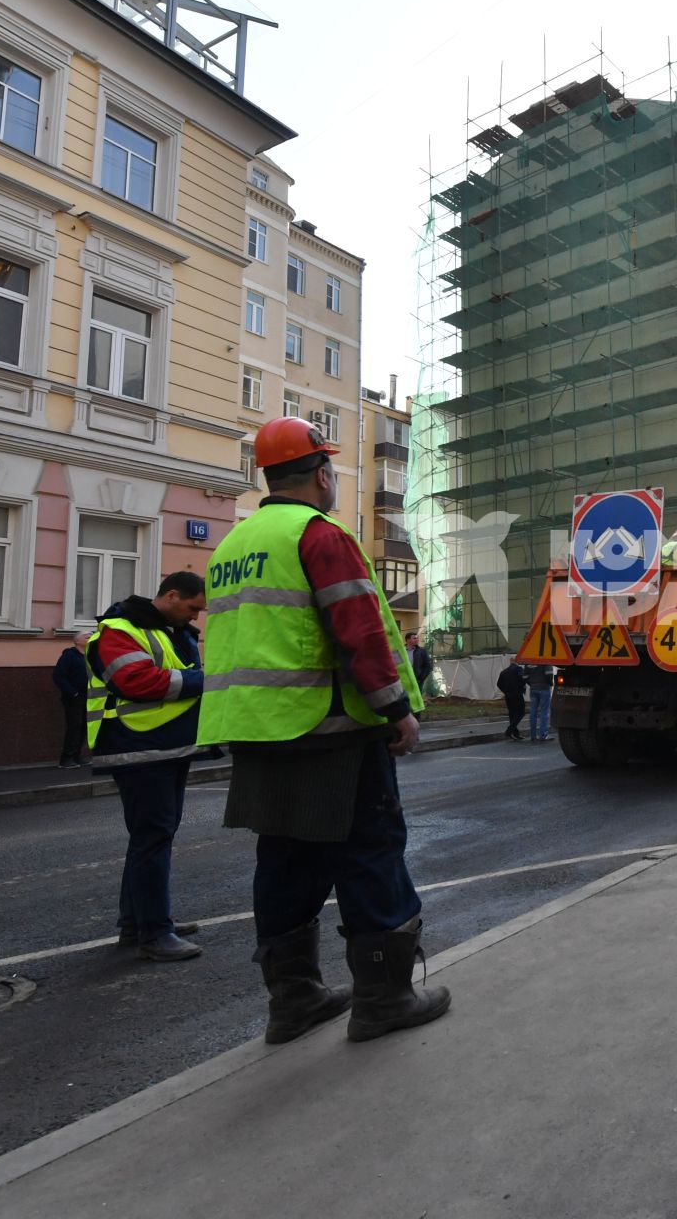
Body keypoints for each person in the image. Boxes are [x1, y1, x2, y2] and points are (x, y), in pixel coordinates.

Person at [199, 417, 448, 1046]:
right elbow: (360, 632)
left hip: (260, 733)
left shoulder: (234, 544)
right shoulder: (318, 532)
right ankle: (384, 998)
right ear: (321, 474)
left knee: (284, 862)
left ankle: (294, 1001)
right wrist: (397, 710)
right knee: (370, 855)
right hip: (331, 732)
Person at [86, 572, 208, 962]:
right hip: (137, 746)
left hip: (166, 745)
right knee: (152, 837)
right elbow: (135, 681)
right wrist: (203, 681)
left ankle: (137, 923)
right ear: (171, 596)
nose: (195, 618)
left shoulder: (173, 631)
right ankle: (155, 933)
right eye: (192, 608)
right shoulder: (118, 629)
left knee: (153, 836)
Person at [52, 642, 91, 767]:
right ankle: (66, 759)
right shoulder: (69, 655)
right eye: (86, 635)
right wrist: (73, 692)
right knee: (75, 726)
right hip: (74, 698)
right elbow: (58, 676)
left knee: (83, 726)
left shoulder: (90, 655)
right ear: (77, 640)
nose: (90, 636)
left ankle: (77, 756)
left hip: (89, 697)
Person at [525, 660, 555, 743]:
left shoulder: (529, 662)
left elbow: (524, 677)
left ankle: (533, 736)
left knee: (533, 712)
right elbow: (549, 675)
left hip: (533, 689)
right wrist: (550, 683)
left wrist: (531, 684)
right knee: (544, 711)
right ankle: (543, 735)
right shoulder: (545, 661)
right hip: (544, 688)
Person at [496, 658, 527, 741]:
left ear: (510, 662)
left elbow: (498, 684)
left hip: (508, 696)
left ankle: (515, 733)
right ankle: (509, 730)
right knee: (521, 712)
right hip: (517, 694)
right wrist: (522, 687)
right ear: (517, 661)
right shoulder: (519, 669)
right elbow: (523, 680)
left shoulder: (504, 672)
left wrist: (505, 691)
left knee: (512, 714)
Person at [404, 629, 434, 701]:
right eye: (414, 638)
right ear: (407, 640)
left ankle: (417, 712)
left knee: (417, 699)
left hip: (417, 679)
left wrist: (421, 678)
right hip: (404, 678)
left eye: (417, 638)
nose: (417, 640)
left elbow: (428, 666)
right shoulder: (401, 650)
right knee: (404, 698)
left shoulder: (421, 651)